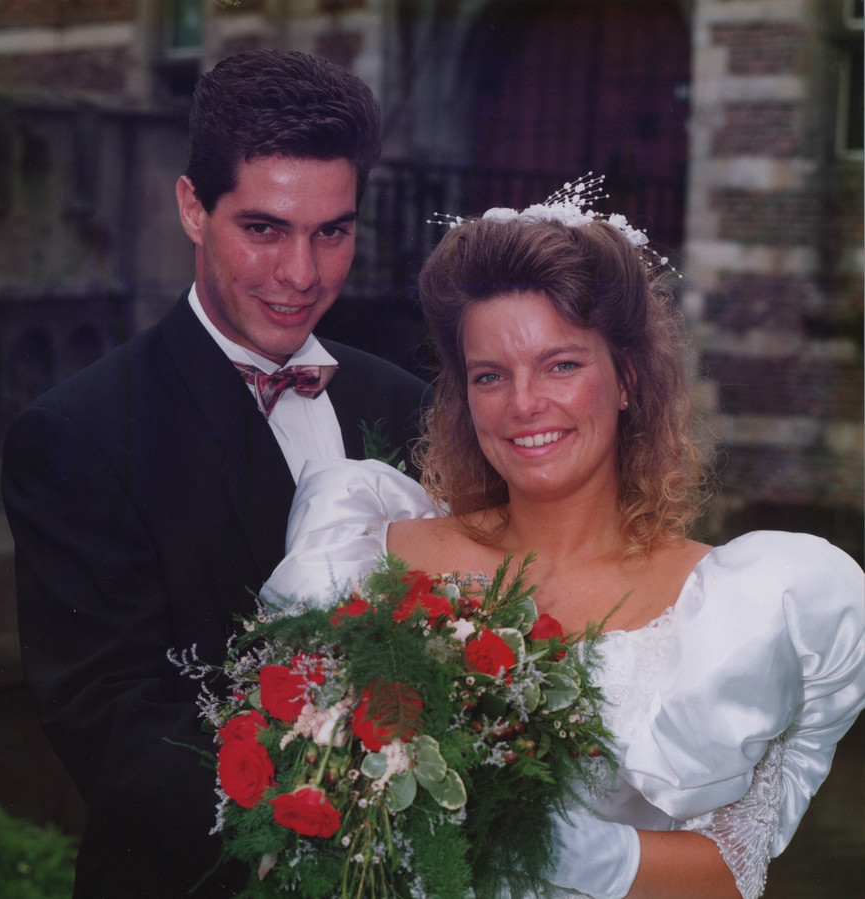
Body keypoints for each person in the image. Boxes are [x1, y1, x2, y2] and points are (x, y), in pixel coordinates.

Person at [263, 183, 865, 898]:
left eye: (562, 365)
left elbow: (732, 872)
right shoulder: (369, 556)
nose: (523, 404)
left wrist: (563, 847)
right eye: (491, 375)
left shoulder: (743, 608)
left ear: (626, 379)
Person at [1, 49, 428, 897]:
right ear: (193, 208)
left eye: (332, 231)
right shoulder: (79, 435)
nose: (301, 274)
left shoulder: (409, 402)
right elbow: (110, 723)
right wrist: (338, 834)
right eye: (264, 229)